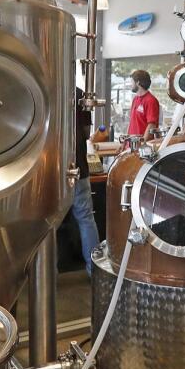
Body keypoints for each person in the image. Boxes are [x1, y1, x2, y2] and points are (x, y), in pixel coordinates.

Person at [72, 88, 100, 276]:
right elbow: (86, 132)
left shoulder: (44, 87)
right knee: (86, 219)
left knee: (46, 224)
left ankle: (43, 275)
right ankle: (94, 272)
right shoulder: (80, 93)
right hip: (79, 167)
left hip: (50, 171)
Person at [126, 69, 160, 137]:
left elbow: (151, 125)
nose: (130, 84)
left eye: (132, 82)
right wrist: (125, 142)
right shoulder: (135, 99)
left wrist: (143, 143)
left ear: (138, 82)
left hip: (142, 145)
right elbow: (131, 123)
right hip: (132, 144)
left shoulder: (151, 101)